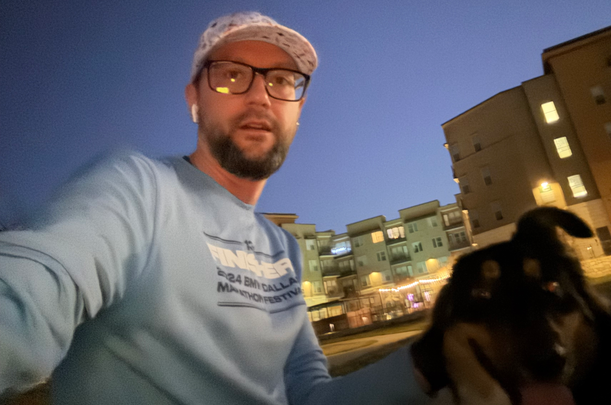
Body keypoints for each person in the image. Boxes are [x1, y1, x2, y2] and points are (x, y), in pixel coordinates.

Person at [0, 11, 482, 405]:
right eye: (232, 75)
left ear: (297, 110)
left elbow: (310, 395)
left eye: (282, 80)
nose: (259, 96)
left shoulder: (281, 249)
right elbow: (27, 295)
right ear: (194, 99)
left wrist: (432, 359)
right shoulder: (137, 190)